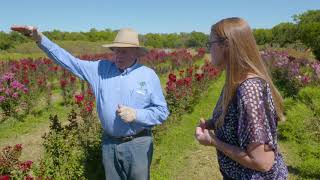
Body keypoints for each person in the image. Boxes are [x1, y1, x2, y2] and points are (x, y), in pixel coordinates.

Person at [11, 25, 169, 180]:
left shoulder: (148, 75)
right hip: (109, 144)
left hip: (138, 144)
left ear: (136, 53)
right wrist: (40, 39)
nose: (118, 56)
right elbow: (70, 61)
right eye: (116, 51)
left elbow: (161, 112)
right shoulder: (100, 69)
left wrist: (136, 114)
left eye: (124, 51)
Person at [194, 17, 288, 179]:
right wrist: (213, 123)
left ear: (227, 45)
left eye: (211, 44)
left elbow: (262, 162)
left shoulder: (249, 90)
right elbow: (239, 121)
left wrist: (213, 141)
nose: (209, 50)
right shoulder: (235, 81)